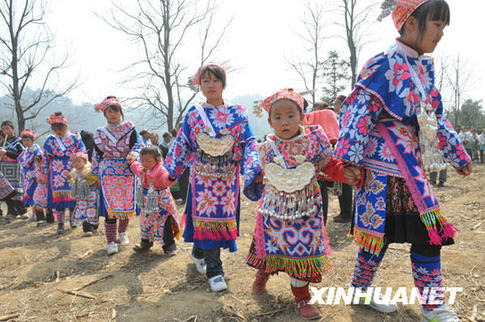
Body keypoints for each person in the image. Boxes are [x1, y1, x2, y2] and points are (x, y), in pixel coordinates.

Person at [333, 1, 471, 319]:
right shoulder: (380, 64)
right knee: (379, 236)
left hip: (412, 168)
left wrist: (457, 152)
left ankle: (429, 305)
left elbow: (434, 118)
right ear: (410, 23)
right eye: (436, 24)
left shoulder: (424, 69)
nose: (440, 33)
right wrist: (349, 161)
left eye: (443, 27)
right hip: (381, 169)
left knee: (423, 235)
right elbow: (357, 111)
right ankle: (372, 292)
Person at [246, 89, 361, 319]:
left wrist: (344, 173)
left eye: (291, 115)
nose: (284, 121)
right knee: (271, 249)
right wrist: (256, 176)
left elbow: (330, 166)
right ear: (269, 121)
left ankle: (302, 297)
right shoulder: (264, 148)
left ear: (302, 117)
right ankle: (263, 274)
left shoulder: (314, 141)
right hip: (273, 212)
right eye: (277, 117)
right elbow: (255, 172)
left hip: (306, 213)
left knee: (303, 252)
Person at [164, 64, 262, 292]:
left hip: (227, 180)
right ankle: (215, 271)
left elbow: (249, 143)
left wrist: (253, 170)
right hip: (202, 179)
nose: (210, 85)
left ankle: (199, 252)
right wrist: (170, 172)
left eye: (214, 80)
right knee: (206, 219)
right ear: (200, 86)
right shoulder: (193, 114)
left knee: (219, 221)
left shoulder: (237, 113)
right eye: (205, 81)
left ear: (223, 84)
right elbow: (182, 145)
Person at [92, 96, 143, 255]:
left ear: (121, 112)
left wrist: (134, 154)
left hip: (127, 170)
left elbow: (138, 145)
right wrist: (94, 173)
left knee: (126, 205)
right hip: (108, 173)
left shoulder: (130, 129)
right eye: (109, 111)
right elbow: (97, 154)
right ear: (105, 114)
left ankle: (122, 232)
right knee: (111, 208)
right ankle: (111, 241)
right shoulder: (100, 133)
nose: (113, 114)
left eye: (116, 111)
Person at [39, 113, 86, 234]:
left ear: (66, 126)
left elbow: (83, 151)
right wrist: (43, 173)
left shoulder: (75, 138)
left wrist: (82, 167)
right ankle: (60, 223)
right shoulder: (50, 140)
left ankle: (72, 220)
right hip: (56, 172)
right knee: (58, 199)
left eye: (60, 128)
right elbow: (45, 158)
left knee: (73, 196)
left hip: (72, 168)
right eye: (55, 129)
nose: (58, 131)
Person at [128, 146, 179, 255]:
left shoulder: (161, 170)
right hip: (147, 202)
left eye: (148, 161)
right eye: (142, 161)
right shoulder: (142, 168)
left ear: (158, 159)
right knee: (145, 223)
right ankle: (145, 243)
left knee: (164, 224)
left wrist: (171, 178)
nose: (145, 163)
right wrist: (131, 162)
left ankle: (169, 247)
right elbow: (135, 166)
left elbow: (166, 179)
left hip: (161, 202)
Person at [303, 101, 340, 224]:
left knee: (319, 189)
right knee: (321, 189)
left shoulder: (307, 119)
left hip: (315, 160)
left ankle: (319, 223)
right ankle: (321, 222)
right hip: (324, 154)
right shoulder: (329, 114)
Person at [67, 151, 99, 236]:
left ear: (85, 161)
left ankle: (94, 225)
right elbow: (73, 183)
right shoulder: (74, 172)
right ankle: (87, 229)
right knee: (84, 210)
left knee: (93, 209)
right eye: (74, 162)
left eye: (78, 161)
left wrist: (86, 175)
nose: (76, 164)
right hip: (81, 195)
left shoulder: (90, 170)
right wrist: (70, 179)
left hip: (92, 193)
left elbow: (96, 178)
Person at [0, 120, 26, 219]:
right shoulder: (2, 142)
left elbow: (21, 155)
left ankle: (22, 211)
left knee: (16, 191)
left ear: (12, 128)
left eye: (7, 128)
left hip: (15, 168)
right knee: (7, 191)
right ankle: (11, 212)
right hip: (3, 169)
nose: (5, 131)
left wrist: (7, 152)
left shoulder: (19, 141)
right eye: (3, 129)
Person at [18, 129, 43, 223]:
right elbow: (20, 160)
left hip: (34, 176)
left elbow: (38, 163)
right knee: (30, 195)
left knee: (36, 195)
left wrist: (37, 175)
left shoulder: (36, 150)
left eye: (28, 140)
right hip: (26, 176)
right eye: (24, 140)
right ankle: (34, 214)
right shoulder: (25, 151)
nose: (26, 142)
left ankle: (39, 215)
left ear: (33, 140)